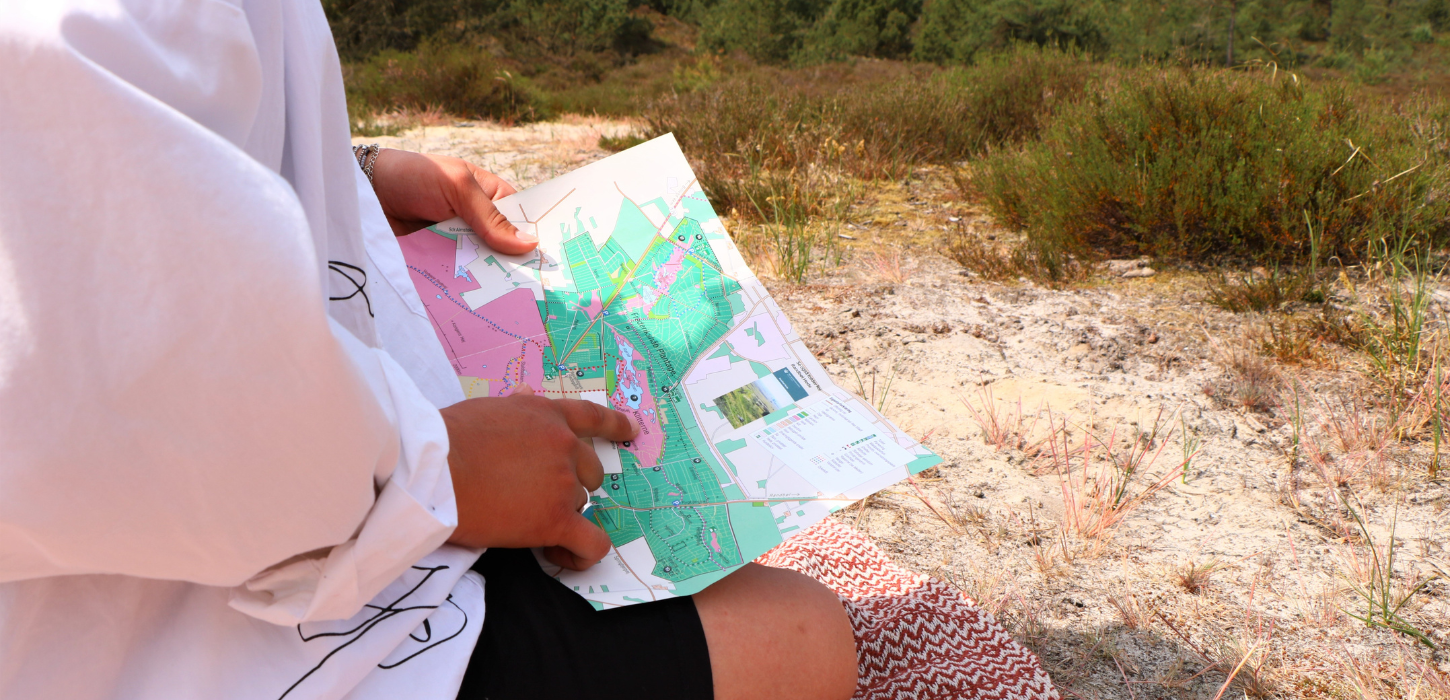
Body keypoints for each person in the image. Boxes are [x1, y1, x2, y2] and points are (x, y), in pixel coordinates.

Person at [0, 2, 858, 699]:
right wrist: (439, 469)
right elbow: (106, 392)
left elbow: (127, 156)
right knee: (802, 639)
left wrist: (354, 177)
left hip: (259, 544)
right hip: (172, 634)